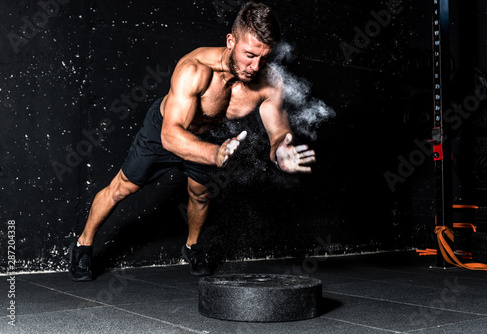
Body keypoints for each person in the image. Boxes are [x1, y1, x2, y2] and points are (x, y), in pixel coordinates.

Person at [69, 1, 316, 281]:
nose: (255, 66)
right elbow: (170, 135)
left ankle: (192, 246)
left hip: (208, 138)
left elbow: (278, 131)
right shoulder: (194, 69)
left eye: (264, 57)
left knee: (200, 195)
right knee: (122, 188)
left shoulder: (269, 81)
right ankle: (83, 245)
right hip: (165, 130)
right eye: (249, 55)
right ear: (230, 41)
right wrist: (214, 154)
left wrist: (281, 150)